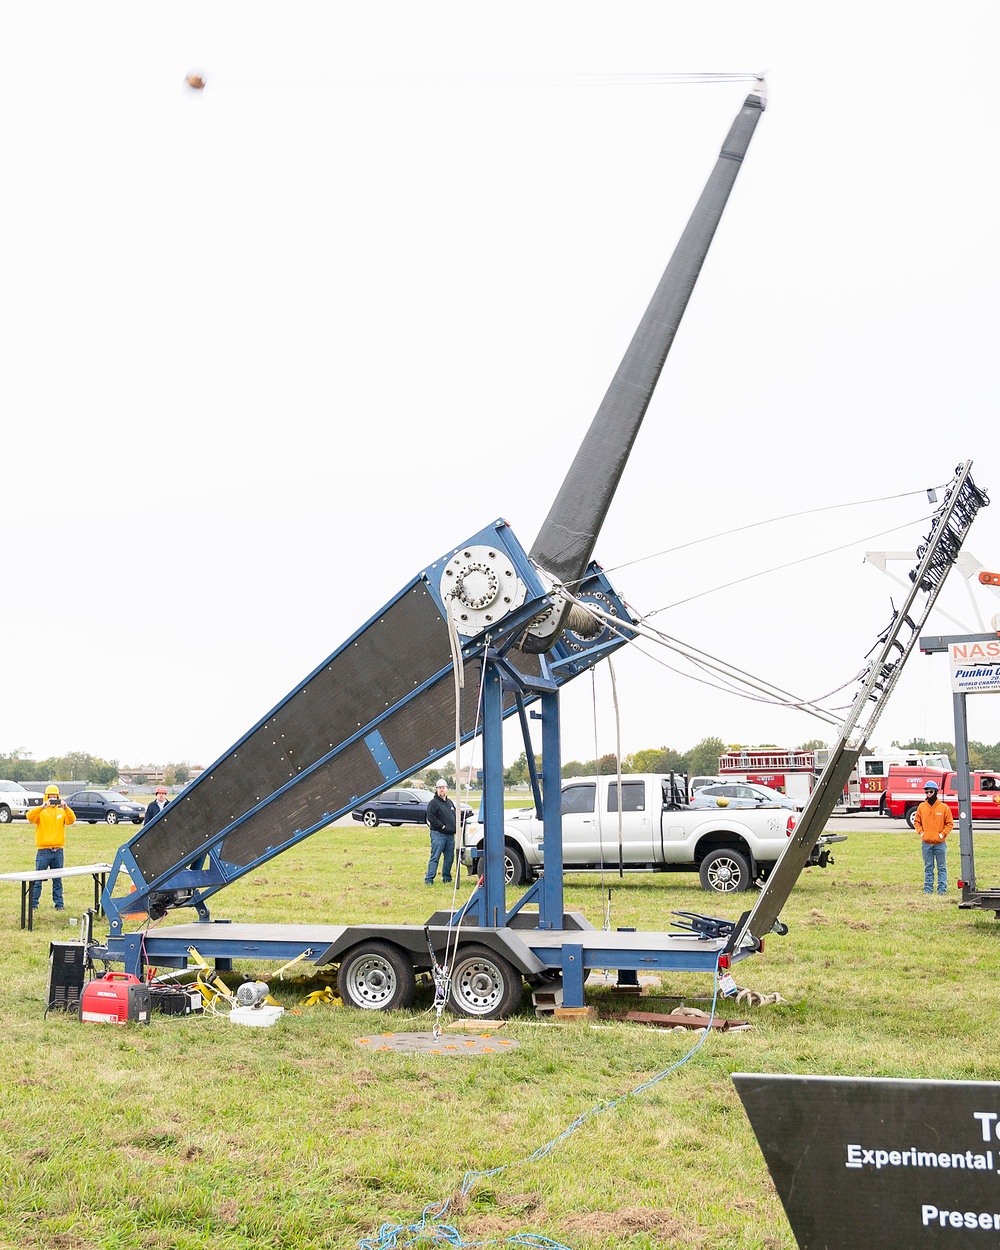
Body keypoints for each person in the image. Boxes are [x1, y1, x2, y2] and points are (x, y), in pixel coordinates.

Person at [26, 785, 76, 911]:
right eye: (50, 796)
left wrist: (66, 807)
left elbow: (71, 820)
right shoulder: (41, 811)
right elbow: (30, 817)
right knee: (38, 880)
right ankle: (33, 905)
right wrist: (43, 806)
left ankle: (59, 905)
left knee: (57, 880)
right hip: (43, 851)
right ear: (46, 796)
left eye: (55, 797)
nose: (53, 799)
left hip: (58, 850)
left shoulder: (61, 811)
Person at [914, 779, 953, 894]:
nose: (928, 794)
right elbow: (917, 822)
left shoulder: (944, 807)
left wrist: (942, 835)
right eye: (926, 792)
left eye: (930, 792)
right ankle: (928, 890)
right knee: (928, 867)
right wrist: (922, 833)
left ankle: (942, 890)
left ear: (936, 792)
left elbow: (950, 824)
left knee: (942, 868)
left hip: (940, 844)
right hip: (926, 843)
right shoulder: (921, 807)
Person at [425, 779, 457, 885]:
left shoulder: (450, 803)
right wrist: (442, 826)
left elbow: (454, 816)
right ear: (436, 789)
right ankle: (429, 879)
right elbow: (431, 818)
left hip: (450, 836)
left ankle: (446, 878)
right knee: (435, 857)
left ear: (447, 789)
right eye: (439, 788)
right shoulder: (433, 803)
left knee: (449, 858)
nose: (441, 790)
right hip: (438, 834)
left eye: (443, 788)